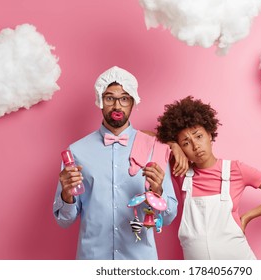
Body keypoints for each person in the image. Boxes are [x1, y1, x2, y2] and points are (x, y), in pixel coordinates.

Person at [53, 66, 179, 260]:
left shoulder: (154, 148)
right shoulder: (76, 152)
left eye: (124, 98)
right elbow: (64, 220)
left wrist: (159, 191)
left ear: (133, 102)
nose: (117, 106)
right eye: (110, 98)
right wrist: (66, 195)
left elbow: (169, 217)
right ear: (100, 101)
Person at [155, 95, 261, 260]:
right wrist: (173, 146)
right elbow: (142, 137)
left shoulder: (235, 170)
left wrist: (248, 216)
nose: (195, 146)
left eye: (199, 136)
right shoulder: (181, 172)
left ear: (210, 134)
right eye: (186, 143)